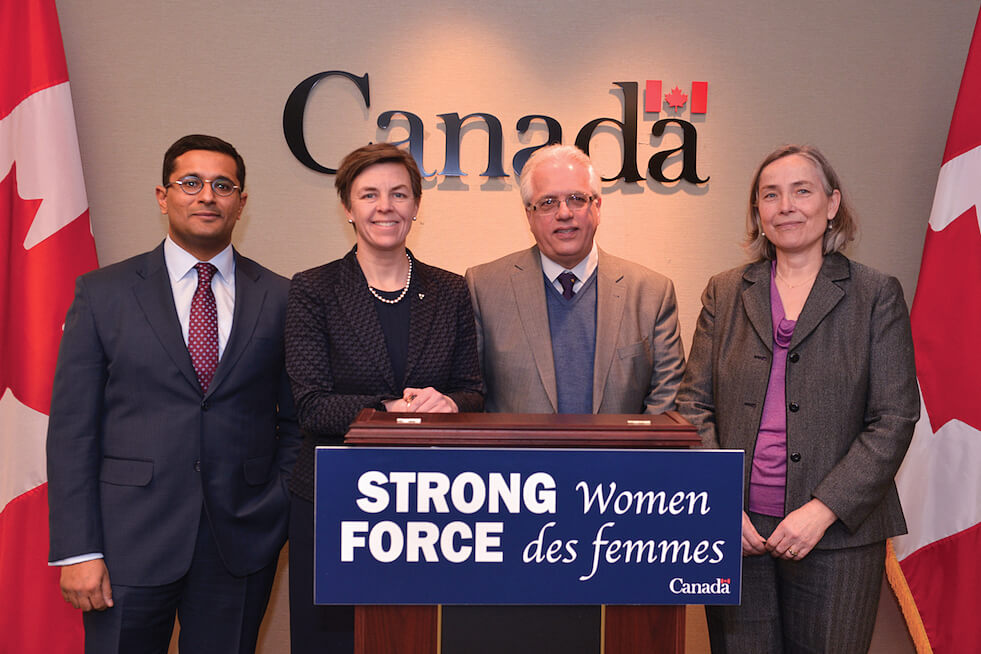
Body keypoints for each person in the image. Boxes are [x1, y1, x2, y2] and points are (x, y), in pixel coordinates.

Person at [46, 134, 300, 654]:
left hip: (240, 542)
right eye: (191, 183)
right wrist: (78, 550)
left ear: (241, 202)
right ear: (164, 197)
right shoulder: (103, 294)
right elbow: (73, 432)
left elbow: (296, 422)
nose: (207, 196)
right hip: (126, 543)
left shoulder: (281, 297)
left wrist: (274, 510)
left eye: (223, 186)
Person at [677, 144, 919, 653]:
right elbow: (693, 405)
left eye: (801, 191)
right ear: (758, 214)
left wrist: (824, 508)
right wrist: (719, 503)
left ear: (832, 204)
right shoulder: (724, 292)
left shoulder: (875, 294)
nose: (785, 205)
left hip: (838, 535)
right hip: (736, 530)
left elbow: (894, 417)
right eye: (770, 195)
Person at [284, 142, 484, 653]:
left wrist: (453, 404)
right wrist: (387, 411)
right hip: (336, 499)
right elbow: (310, 405)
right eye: (368, 194)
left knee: (423, 636)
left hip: (433, 502)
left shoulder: (451, 290)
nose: (385, 206)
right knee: (333, 640)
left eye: (399, 193)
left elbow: (474, 389)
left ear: (416, 205)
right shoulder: (314, 289)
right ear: (347, 208)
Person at [465, 143, 685, 415]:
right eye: (548, 203)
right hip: (517, 458)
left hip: (620, 457)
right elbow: (471, 395)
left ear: (598, 207)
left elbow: (666, 401)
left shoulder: (651, 293)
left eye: (577, 199)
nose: (564, 213)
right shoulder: (484, 289)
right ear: (529, 216)